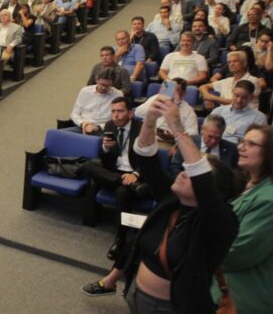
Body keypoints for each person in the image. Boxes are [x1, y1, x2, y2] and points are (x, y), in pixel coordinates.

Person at [81, 96, 239, 314]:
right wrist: (150, 120)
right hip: (138, 295)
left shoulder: (219, 222)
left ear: (209, 189)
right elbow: (146, 159)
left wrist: (177, 128)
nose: (183, 174)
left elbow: (201, 179)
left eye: (190, 174)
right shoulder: (172, 199)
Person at [80, 97, 150, 260]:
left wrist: (135, 175)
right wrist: (105, 147)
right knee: (86, 166)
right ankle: (126, 184)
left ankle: (121, 238)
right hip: (115, 173)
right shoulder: (110, 126)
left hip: (133, 174)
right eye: (113, 111)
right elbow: (104, 158)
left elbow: (148, 160)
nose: (116, 115)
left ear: (130, 113)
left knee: (121, 193)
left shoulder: (142, 129)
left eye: (120, 111)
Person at [213, 124, 273, 313]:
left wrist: (198, 246)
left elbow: (237, 253)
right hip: (223, 290)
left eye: (251, 143)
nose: (241, 147)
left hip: (244, 299)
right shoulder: (249, 184)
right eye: (242, 141)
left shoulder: (269, 200)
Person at [169, 114, 238, 176]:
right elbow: (175, 168)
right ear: (202, 129)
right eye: (210, 136)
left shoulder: (232, 149)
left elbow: (234, 175)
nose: (213, 141)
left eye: (218, 138)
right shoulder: (187, 142)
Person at [70, 68, 124, 135]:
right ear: (97, 80)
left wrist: (99, 127)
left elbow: (117, 118)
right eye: (102, 84)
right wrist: (83, 124)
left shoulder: (118, 94)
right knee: (57, 136)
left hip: (103, 129)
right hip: (83, 126)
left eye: (107, 86)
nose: (104, 88)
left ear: (112, 83)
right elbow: (74, 114)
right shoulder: (85, 91)